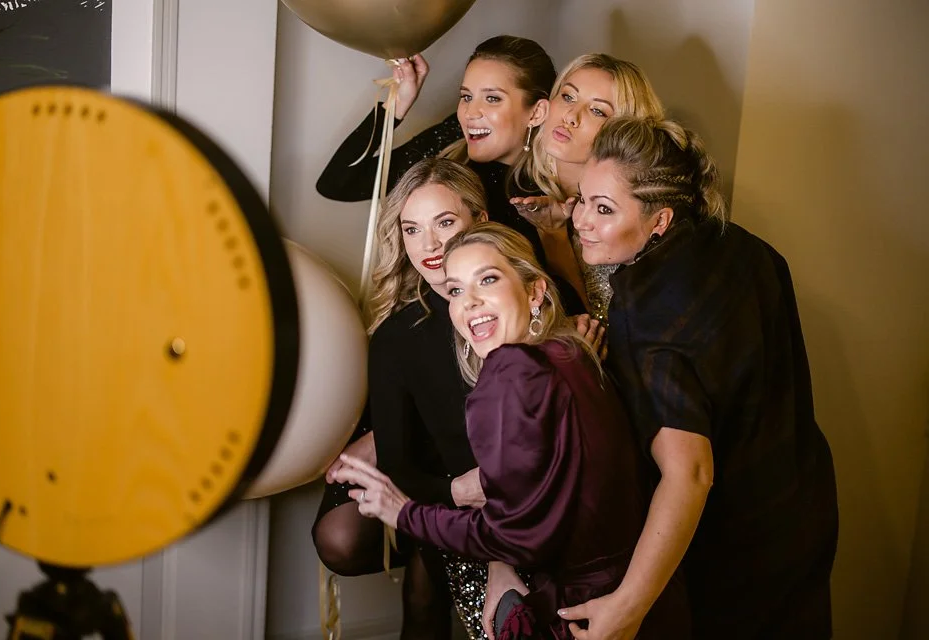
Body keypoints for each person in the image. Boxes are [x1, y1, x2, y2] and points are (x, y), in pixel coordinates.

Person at [333, 222, 691, 640]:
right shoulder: (572, 352)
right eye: (455, 290)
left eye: (487, 279)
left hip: (584, 615)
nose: (470, 302)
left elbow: (517, 537)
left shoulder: (511, 371)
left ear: (535, 291)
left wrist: (401, 511)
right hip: (648, 601)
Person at [558, 117, 839, 639]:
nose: (580, 221)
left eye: (604, 209)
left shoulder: (642, 314)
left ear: (659, 219)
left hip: (734, 549)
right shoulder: (746, 247)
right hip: (804, 507)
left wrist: (626, 608)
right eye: (582, 199)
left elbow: (690, 474)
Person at [316, 35, 582, 298]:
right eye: (466, 97)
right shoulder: (449, 148)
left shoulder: (553, 194)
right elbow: (338, 183)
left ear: (536, 112)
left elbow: (566, 302)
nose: (470, 113)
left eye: (492, 99)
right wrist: (396, 103)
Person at [509, 54, 665, 320]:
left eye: (597, 111)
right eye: (568, 97)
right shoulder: (514, 187)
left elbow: (599, 329)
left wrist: (555, 236)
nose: (571, 116)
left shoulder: (634, 212)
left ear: (625, 131)